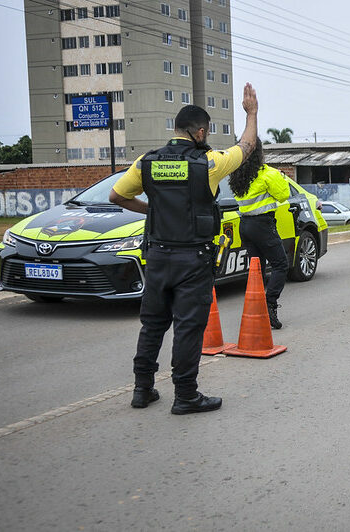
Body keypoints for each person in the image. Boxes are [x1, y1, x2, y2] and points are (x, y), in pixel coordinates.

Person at [109, 83, 258, 415]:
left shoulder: (145, 162)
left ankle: (142, 389)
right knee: (189, 326)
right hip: (194, 259)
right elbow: (246, 146)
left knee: (152, 324)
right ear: (201, 132)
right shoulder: (210, 163)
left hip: (158, 256)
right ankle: (186, 395)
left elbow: (116, 197)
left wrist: (152, 210)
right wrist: (251, 113)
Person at [228, 141, 290, 330]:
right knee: (281, 264)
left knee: (256, 269)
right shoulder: (267, 173)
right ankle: (270, 304)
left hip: (245, 225)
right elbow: (284, 195)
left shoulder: (239, 176)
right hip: (263, 224)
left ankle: (256, 310)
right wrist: (281, 177)